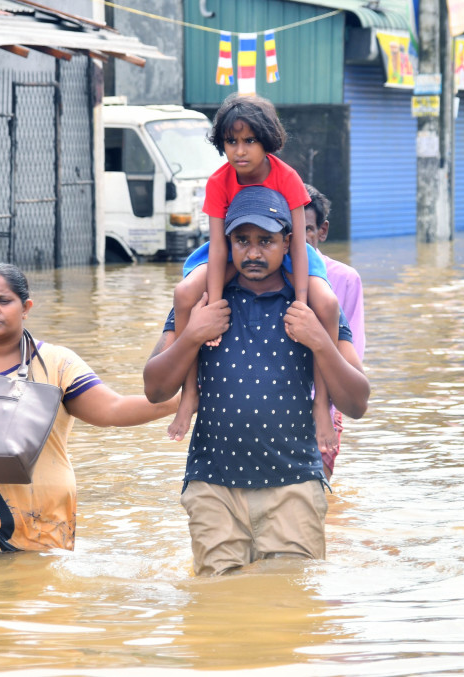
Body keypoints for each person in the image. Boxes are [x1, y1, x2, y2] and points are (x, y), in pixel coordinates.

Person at [143, 187, 369, 576]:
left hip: (294, 483)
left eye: (266, 240)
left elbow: (357, 403)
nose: (252, 252)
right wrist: (194, 334)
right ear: (225, 243)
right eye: (241, 240)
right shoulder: (207, 300)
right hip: (213, 485)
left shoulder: (311, 306)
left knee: (289, 606)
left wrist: (319, 341)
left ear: (288, 243)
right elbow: (155, 388)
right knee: (219, 608)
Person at [0, 263, 178, 560]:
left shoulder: (55, 363)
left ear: (26, 307)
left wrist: (182, 402)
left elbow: (112, 409)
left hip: (41, 526)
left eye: (3, 301)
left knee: (41, 603)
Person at [169, 93, 341, 458]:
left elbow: (296, 242)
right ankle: (189, 395)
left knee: (327, 305)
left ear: (267, 142)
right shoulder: (219, 181)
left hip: (287, 250)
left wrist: (301, 304)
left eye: (249, 141)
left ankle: (321, 407)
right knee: (184, 295)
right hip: (231, 249)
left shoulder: (286, 177)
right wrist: (213, 306)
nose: (240, 151)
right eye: (232, 141)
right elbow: (217, 246)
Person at [303, 184, 366, 478]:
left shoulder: (344, 280)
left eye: (308, 230)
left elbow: (351, 363)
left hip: (325, 408)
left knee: (315, 499)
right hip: (274, 408)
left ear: (322, 231)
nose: (298, 241)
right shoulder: (265, 274)